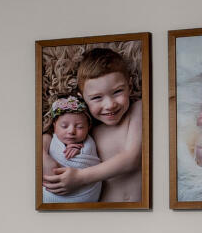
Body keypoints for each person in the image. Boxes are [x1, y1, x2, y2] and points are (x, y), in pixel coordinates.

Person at [42, 44, 143, 203]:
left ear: (129, 87)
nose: (110, 105)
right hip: (100, 211)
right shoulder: (90, 128)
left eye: (117, 92)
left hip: (142, 210)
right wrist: (43, 156)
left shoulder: (137, 110)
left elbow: (132, 158)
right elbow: (50, 135)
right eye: (97, 98)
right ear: (83, 98)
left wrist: (80, 177)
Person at [42, 96, 104, 203]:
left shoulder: (89, 144)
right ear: (54, 126)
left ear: (88, 128)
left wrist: (80, 152)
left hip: (83, 197)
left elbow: (88, 163)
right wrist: (45, 157)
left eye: (80, 127)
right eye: (64, 126)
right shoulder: (50, 138)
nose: (71, 131)